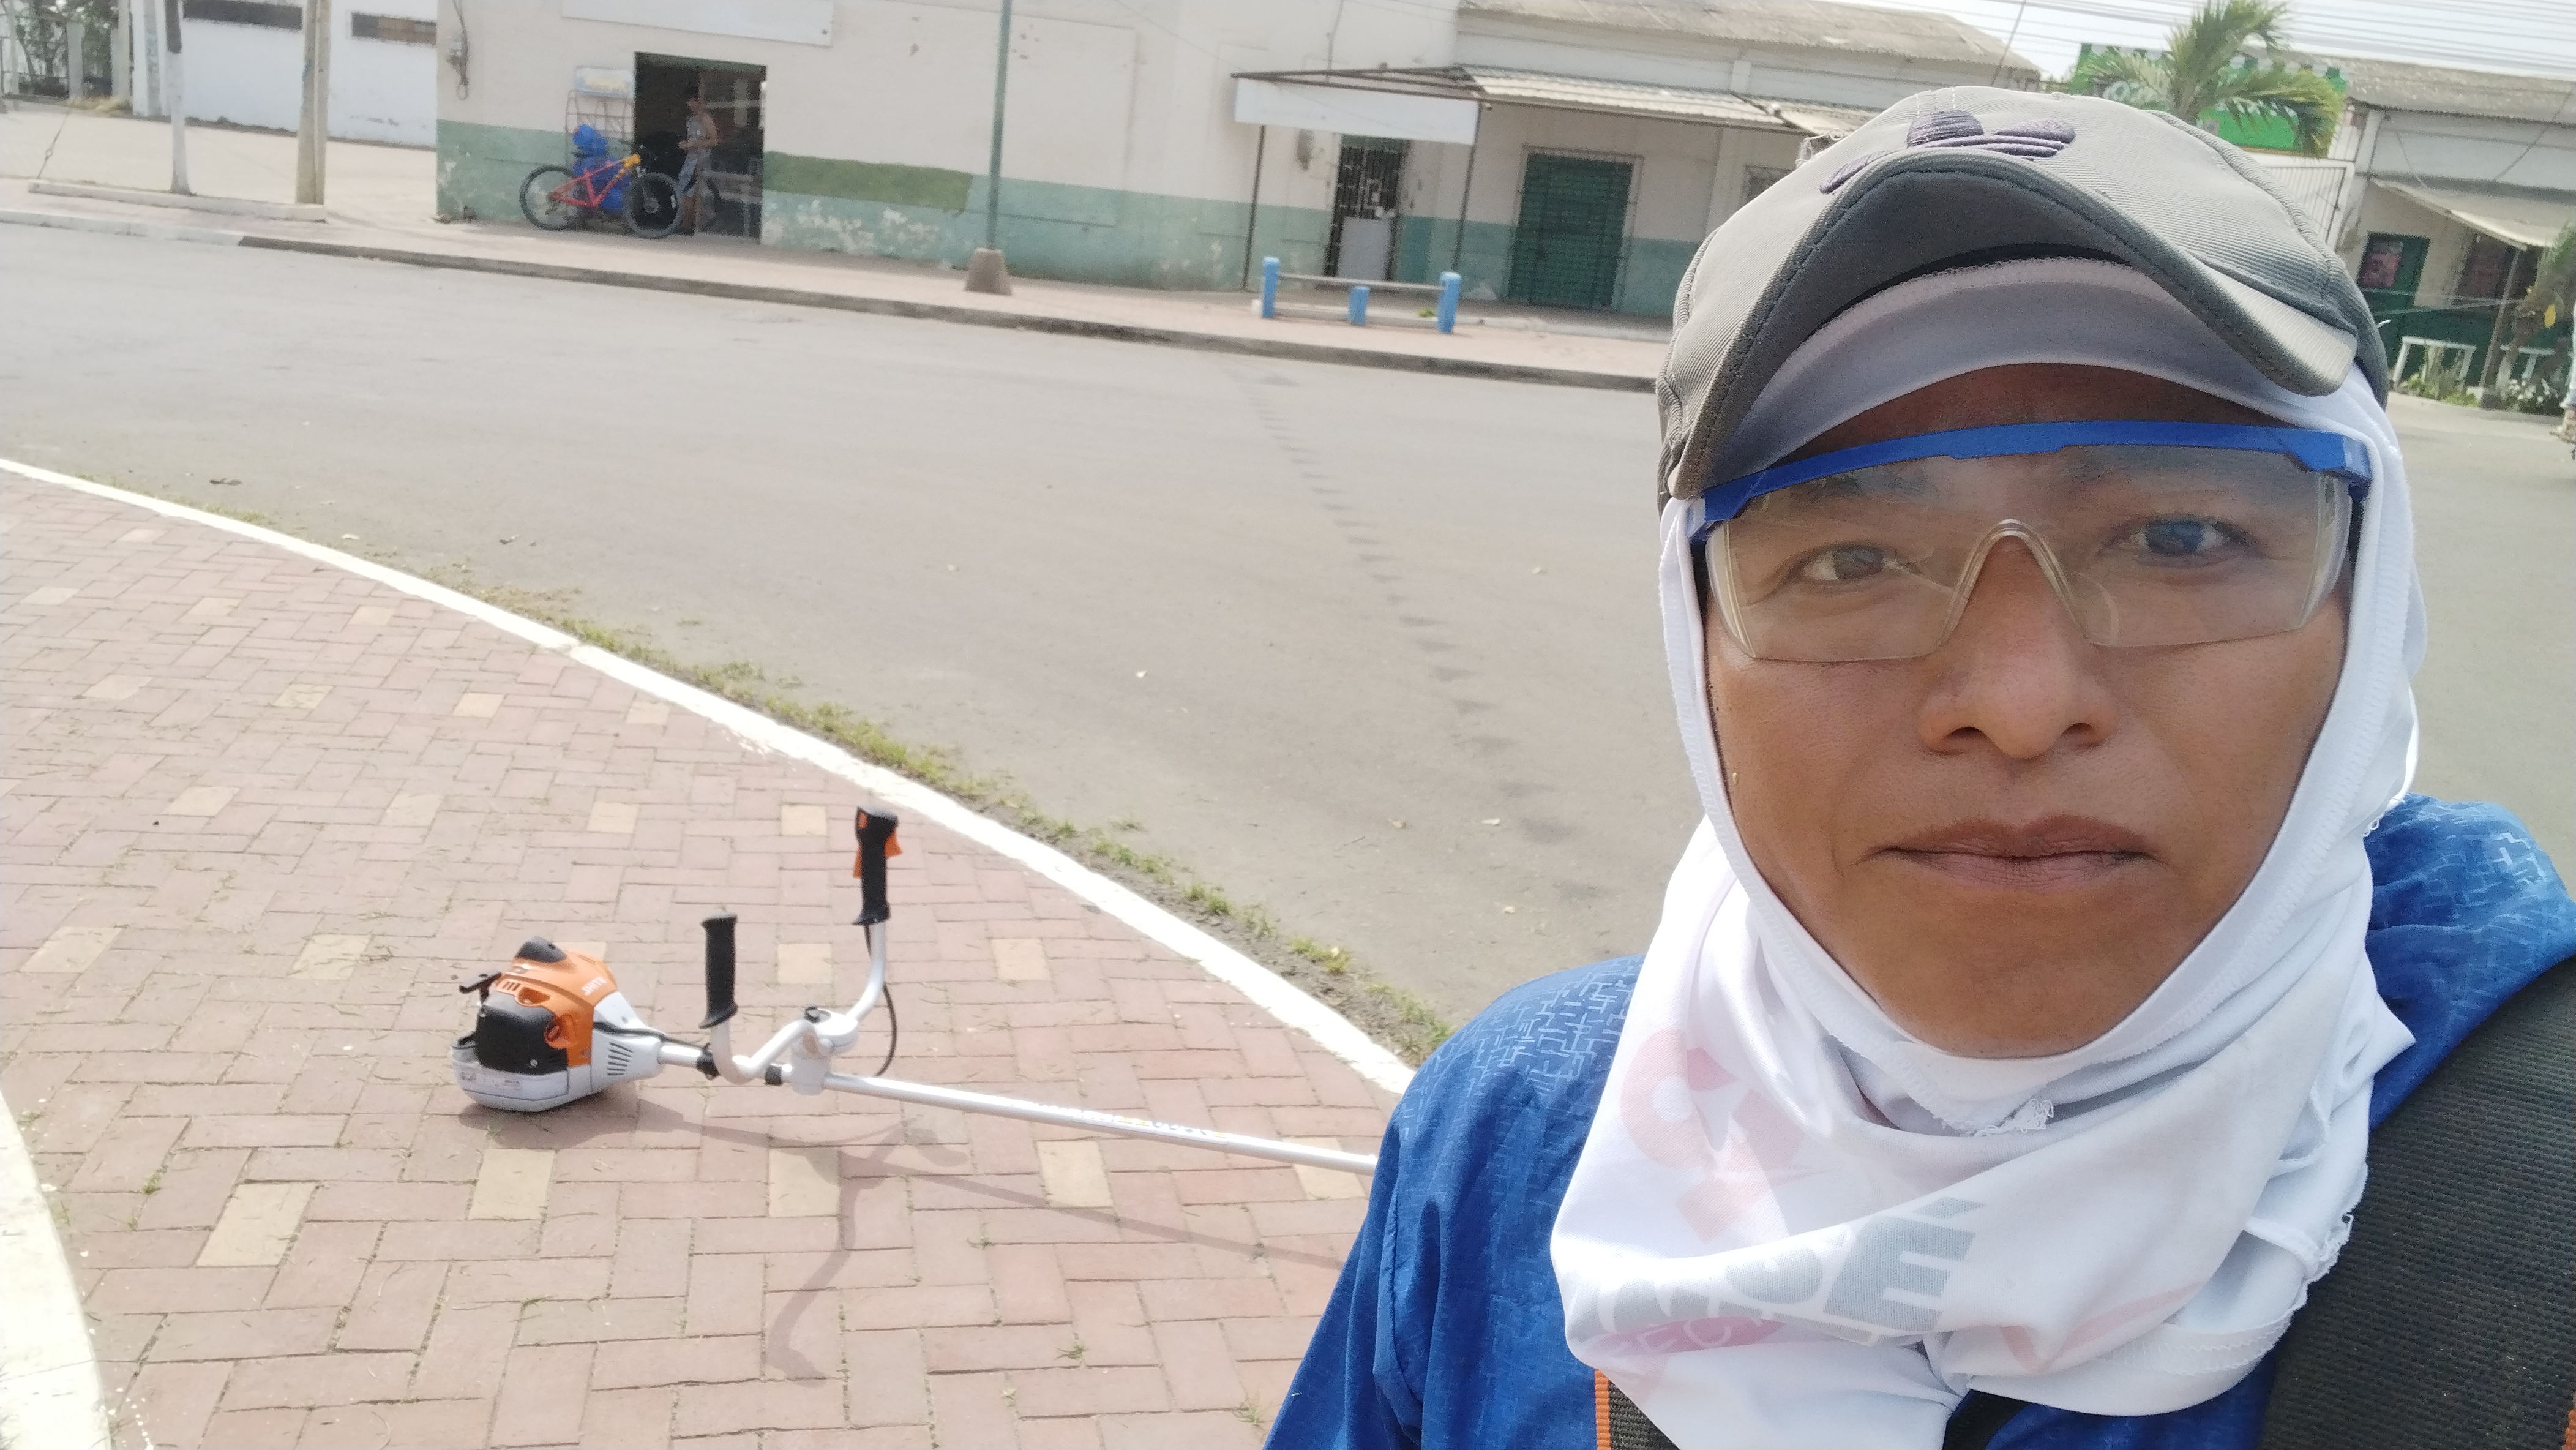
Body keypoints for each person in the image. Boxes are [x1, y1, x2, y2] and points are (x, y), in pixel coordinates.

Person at [1273, 88, 2576, 1449]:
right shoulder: (1512, 1140)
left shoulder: (2533, 1210)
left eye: (2179, 538)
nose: (2016, 705)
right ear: (1696, 639)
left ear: (2368, 612)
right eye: (1850, 559)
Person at [676, 84, 722, 235]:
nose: (689, 105)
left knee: (690, 192)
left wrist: (696, 145)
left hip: (701, 160)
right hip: (690, 159)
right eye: (688, 102)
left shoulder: (706, 119)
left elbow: (714, 141)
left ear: (699, 101)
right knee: (686, 191)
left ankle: (688, 223)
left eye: (692, 101)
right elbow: (692, 139)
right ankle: (689, 222)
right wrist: (686, 145)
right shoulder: (691, 120)